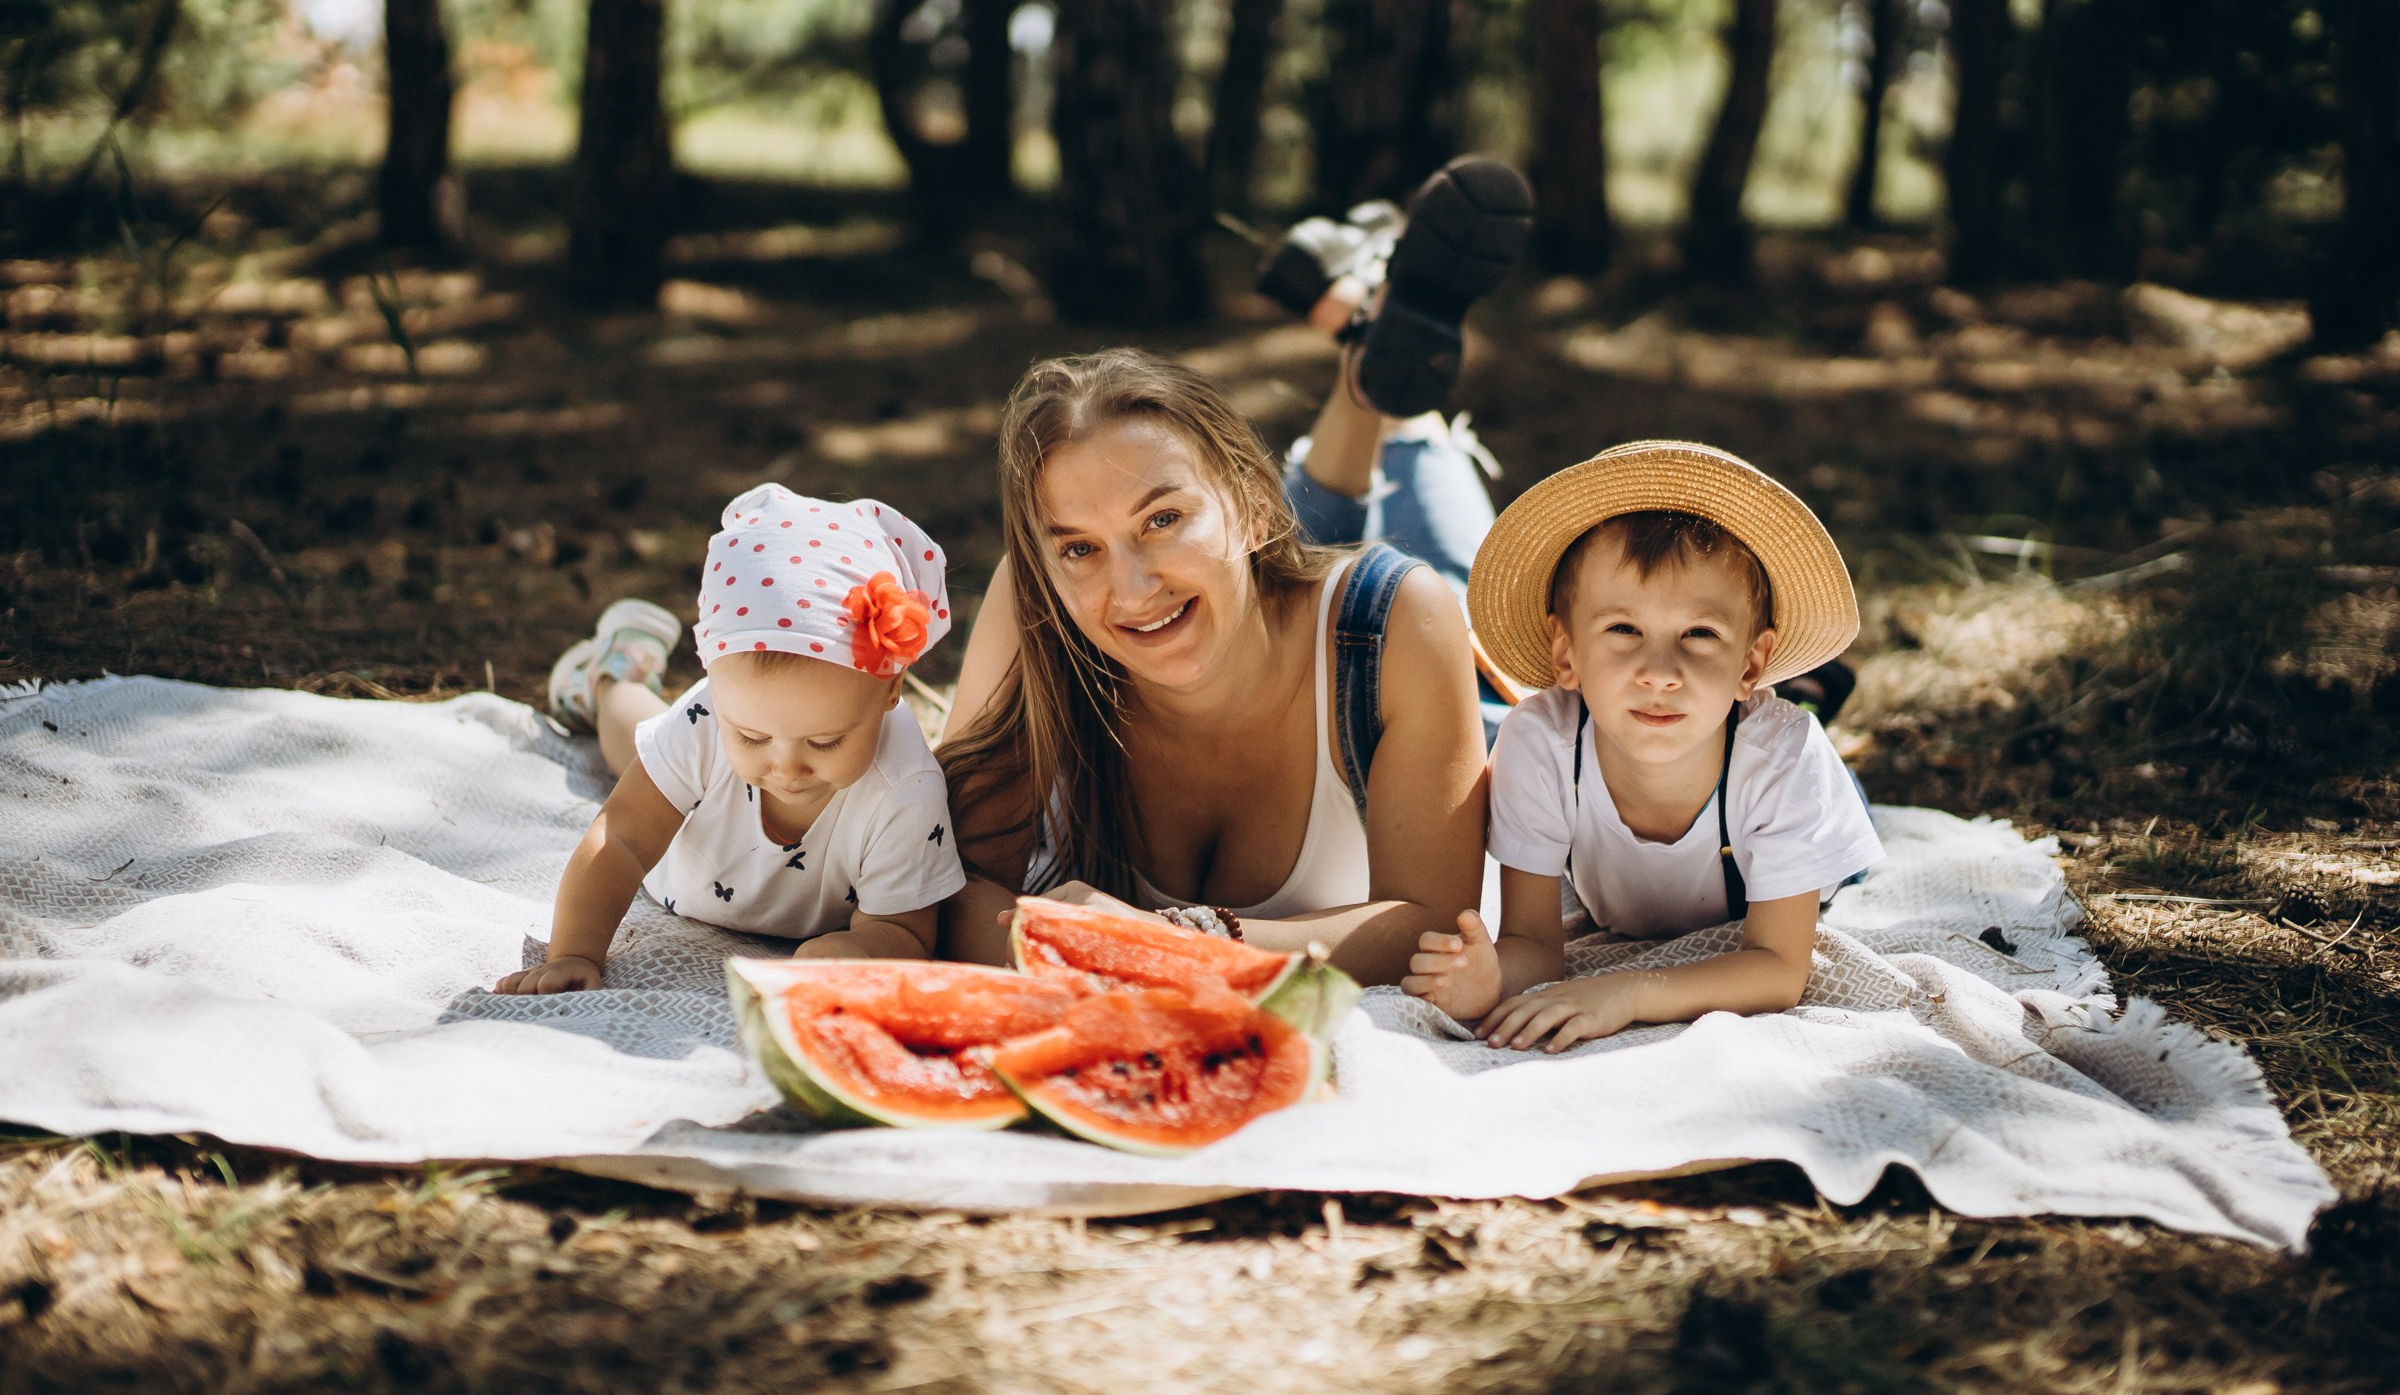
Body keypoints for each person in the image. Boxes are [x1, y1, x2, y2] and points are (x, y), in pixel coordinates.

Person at [934, 159, 1539, 983]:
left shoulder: (1401, 621)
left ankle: (1386, 378)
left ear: (1260, 505)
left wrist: (1172, 945)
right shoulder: (1040, 599)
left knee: (1421, 506)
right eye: (1079, 546)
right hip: (1261, 583)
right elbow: (951, 887)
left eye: (1160, 518)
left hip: (1450, 688)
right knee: (1241, 572)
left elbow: (1431, 926)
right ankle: (1365, 333)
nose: (1131, 583)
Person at [1401, 442, 1883, 1050]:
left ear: (1751, 663)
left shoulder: (1785, 759)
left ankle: (1807, 697)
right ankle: (1799, 687)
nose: (1660, 672)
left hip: (1779, 787)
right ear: (1565, 653)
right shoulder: (1541, 742)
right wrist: (1492, 976)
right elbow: (1533, 945)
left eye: (1699, 634)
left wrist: (1627, 991)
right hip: (1725, 739)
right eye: (1624, 629)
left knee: (1800, 741)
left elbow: (1779, 969)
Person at [496, 483, 962, 993]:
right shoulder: (705, 721)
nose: (786, 767)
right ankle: (613, 674)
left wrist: (856, 950)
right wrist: (573, 952)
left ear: (890, 688)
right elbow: (623, 837)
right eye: (752, 736)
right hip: (676, 870)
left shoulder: (905, 787)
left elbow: (905, 930)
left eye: (825, 741)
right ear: (716, 687)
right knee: (632, 742)